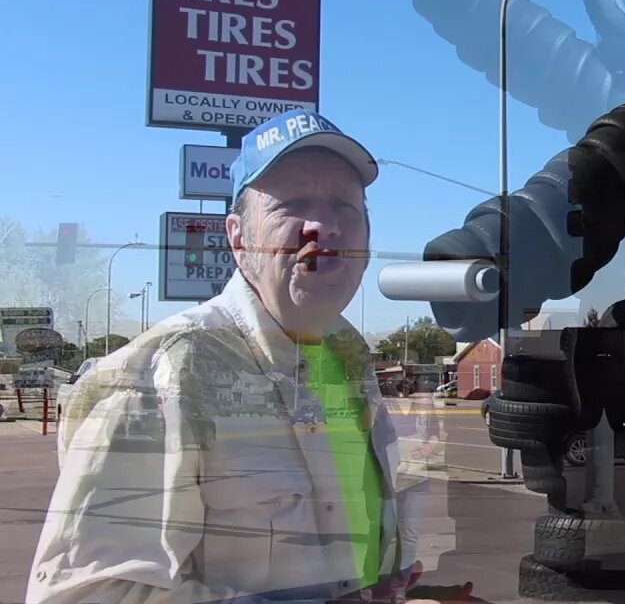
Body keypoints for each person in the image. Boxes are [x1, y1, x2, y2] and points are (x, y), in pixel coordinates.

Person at [28, 110, 458, 604]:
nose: (324, 225)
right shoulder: (161, 379)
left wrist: (396, 590)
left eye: (347, 207)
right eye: (291, 205)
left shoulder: (348, 360)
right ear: (237, 237)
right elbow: (86, 595)